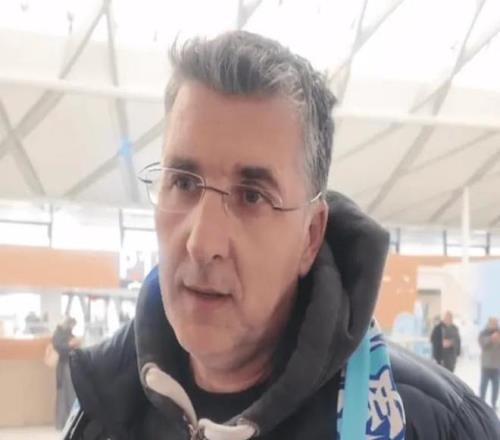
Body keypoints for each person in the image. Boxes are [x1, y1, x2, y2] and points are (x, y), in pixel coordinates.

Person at [64, 31, 500, 439]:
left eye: (252, 196)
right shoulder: (101, 409)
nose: (201, 243)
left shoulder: (435, 424)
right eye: (183, 182)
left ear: (310, 236)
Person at [52, 316, 80, 430]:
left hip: (67, 364)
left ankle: (68, 421)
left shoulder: (65, 333)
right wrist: (70, 345)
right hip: (64, 365)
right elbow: (59, 347)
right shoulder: (59, 334)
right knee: (66, 394)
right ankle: (65, 422)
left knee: (68, 394)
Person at [479, 317, 500, 410]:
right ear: (489, 323)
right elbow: (482, 344)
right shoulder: (483, 333)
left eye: (496, 323)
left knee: (496, 387)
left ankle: (494, 403)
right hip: (486, 365)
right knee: (483, 386)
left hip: (497, 365)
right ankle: (481, 404)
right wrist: (491, 338)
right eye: (492, 323)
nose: (494, 325)